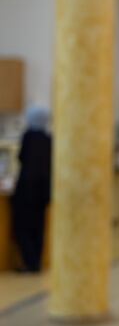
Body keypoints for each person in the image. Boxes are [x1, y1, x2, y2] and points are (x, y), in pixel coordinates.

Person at [11, 106, 52, 273]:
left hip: (27, 191)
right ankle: (36, 262)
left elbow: (21, 158)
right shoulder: (49, 139)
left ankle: (29, 262)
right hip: (43, 191)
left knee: (22, 227)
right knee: (38, 227)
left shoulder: (28, 137)